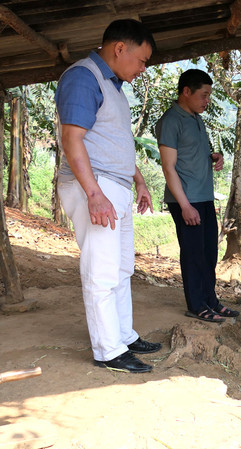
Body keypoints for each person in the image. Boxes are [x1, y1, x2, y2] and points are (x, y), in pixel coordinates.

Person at [55, 19, 161, 374]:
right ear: (120, 49)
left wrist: (140, 182)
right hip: (95, 186)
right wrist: (94, 193)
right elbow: (73, 139)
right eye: (142, 60)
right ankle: (108, 350)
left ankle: (124, 336)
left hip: (115, 186)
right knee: (101, 271)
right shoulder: (83, 77)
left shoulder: (113, 85)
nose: (143, 69)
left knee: (121, 268)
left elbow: (113, 142)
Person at [155, 69, 239, 323]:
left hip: (203, 197)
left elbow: (190, 154)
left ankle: (210, 300)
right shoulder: (171, 120)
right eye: (203, 95)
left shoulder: (196, 119)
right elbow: (168, 167)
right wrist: (184, 206)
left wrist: (213, 156)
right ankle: (196, 305)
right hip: (186, 200)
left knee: (208, 253)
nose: (207, 101)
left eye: (209, 96)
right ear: (186, 91)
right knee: (193, 254)